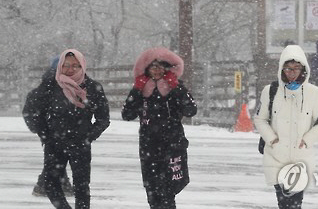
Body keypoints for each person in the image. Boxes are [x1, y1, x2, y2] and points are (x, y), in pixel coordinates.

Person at [23, 49, 110, 209]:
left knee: (81, 187)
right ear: (60, 66)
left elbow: (103, 118)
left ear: (82, 66)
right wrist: (45, 134)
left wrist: (88, 136)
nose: (70, 69)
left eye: (75, 66)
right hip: (55, 143)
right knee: (50, 184)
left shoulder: (92, 87)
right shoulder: (50, 85)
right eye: (66, 65)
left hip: (80, 144)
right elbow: (34, 111)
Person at [254, 45, 318, 209]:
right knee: (283, 203)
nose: (292, 72)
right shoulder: (270, 91)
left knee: (295, 204)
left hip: (300, 158)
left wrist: (308, 139)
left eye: (297, 68)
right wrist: (272, 139)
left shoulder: (314, 93)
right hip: (276, 157)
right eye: (288, 68)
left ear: (304, 69)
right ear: (282, 69)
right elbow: (260, 119)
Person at [122, 47, 197, 209]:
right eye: (153, 67)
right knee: (152, 189)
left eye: (161, 67)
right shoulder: (141, 89)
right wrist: (136, 90)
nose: (157, 71)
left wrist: (175, 87)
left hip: (173, 143)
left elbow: (190, 110)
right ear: (146, 69)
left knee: (169, 188)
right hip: (149, 144)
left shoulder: (175, 87)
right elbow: (127, 114)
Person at [23, 56, 73, 197]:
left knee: (56, 158)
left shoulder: (48, 86)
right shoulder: (55, 87)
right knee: (56, 158)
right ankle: (47, 185)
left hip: (54, 129)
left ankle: (57, 184)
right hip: (56, 129)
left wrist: (41, 129)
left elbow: (31, 109)